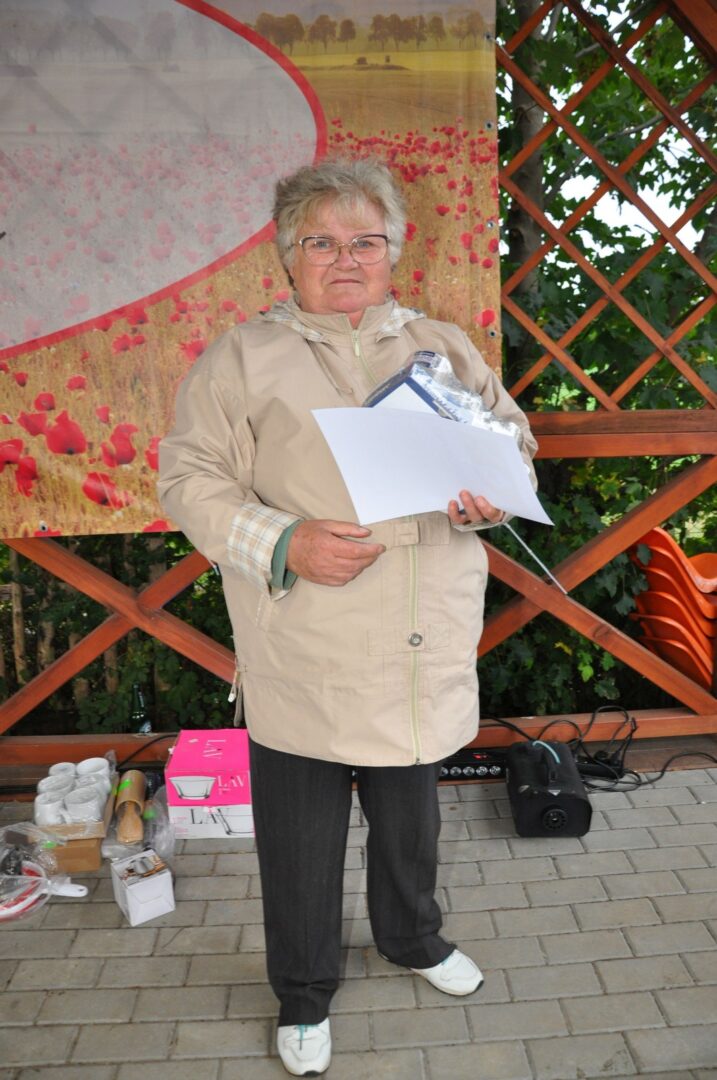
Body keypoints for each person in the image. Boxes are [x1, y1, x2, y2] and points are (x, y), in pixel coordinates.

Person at [158, 158, 538, 1077]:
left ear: (392, 252)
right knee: (301, 828)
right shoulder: (242, 357)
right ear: (287, 257)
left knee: (411, 813)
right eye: (320, 242)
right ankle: (302, 988)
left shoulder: (440, 345)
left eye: (364, 240)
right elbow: (188, 479)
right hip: (309, 632)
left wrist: (490, 493)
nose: (345, 258)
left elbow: (512, 438)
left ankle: (412, 938)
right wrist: (284, 540)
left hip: (418, 629)